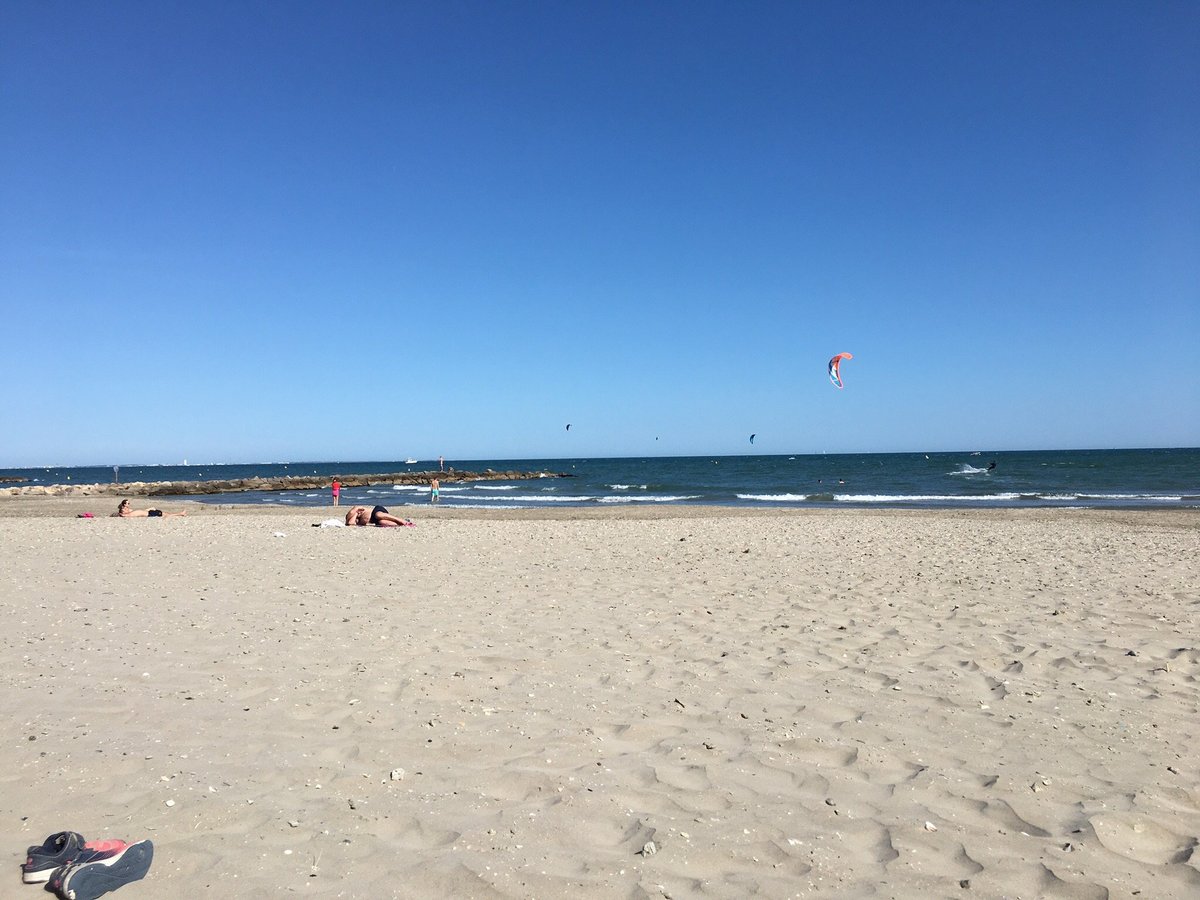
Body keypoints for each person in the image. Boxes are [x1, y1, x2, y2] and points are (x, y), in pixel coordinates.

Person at [344, 505, 412, 527]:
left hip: (376, 511)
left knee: (378, 515)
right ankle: (405, 522)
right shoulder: (355, 518)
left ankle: (401, 520)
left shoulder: (355, 509)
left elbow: (353, 510)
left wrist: (355, 511)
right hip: (375, 520)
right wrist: (356, 514)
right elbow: (350, 523)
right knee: (384, 523)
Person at [112, 499, 186, 518]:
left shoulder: (129, 511)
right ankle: (180, 514)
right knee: (166, 514)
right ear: (124, 504)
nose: (129, 504)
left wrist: (148, 508)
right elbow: (124, 514)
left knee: (166, 514)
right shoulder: (124, 511)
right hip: (149, 514)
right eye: (128, 503)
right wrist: (119, 514)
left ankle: (180, 514)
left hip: (149, 512)